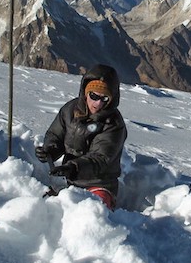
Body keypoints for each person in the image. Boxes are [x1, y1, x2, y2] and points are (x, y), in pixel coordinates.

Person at [35, 64, 127, 210]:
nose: (98, 103)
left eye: (104, 98)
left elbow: (100, 159)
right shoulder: (70, 110)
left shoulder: (114, 124)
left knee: (92, 214)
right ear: (86, 92)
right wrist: (49, 151)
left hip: (100, 184)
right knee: (43, 209)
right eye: (94, 96)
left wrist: (73, 168)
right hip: (68, 180)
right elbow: (56, 135)